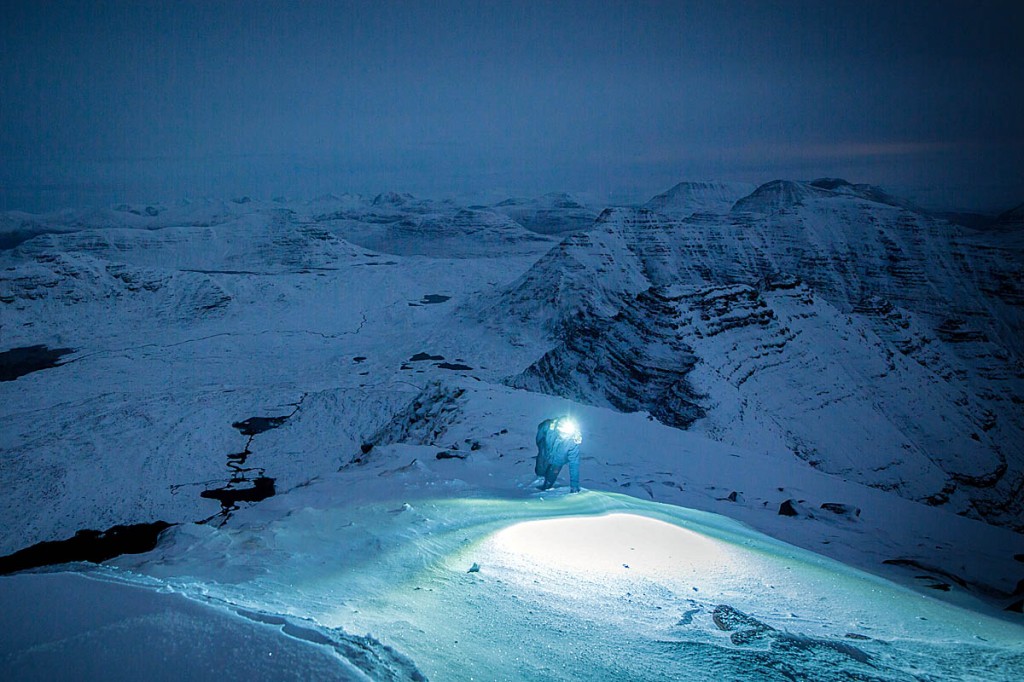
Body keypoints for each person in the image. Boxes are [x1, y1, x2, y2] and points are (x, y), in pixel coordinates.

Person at [534, 416, 582, 492]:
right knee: (539, 473)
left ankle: (544, 493)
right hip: (544, 456)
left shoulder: (573, 441)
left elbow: (574, 463)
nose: (564, 435)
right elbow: (540, 433)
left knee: (549, 481)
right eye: (562, 432)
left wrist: (574, 486)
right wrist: (541, 448)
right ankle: (534, 488)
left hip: (557, 463)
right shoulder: (549, 427)